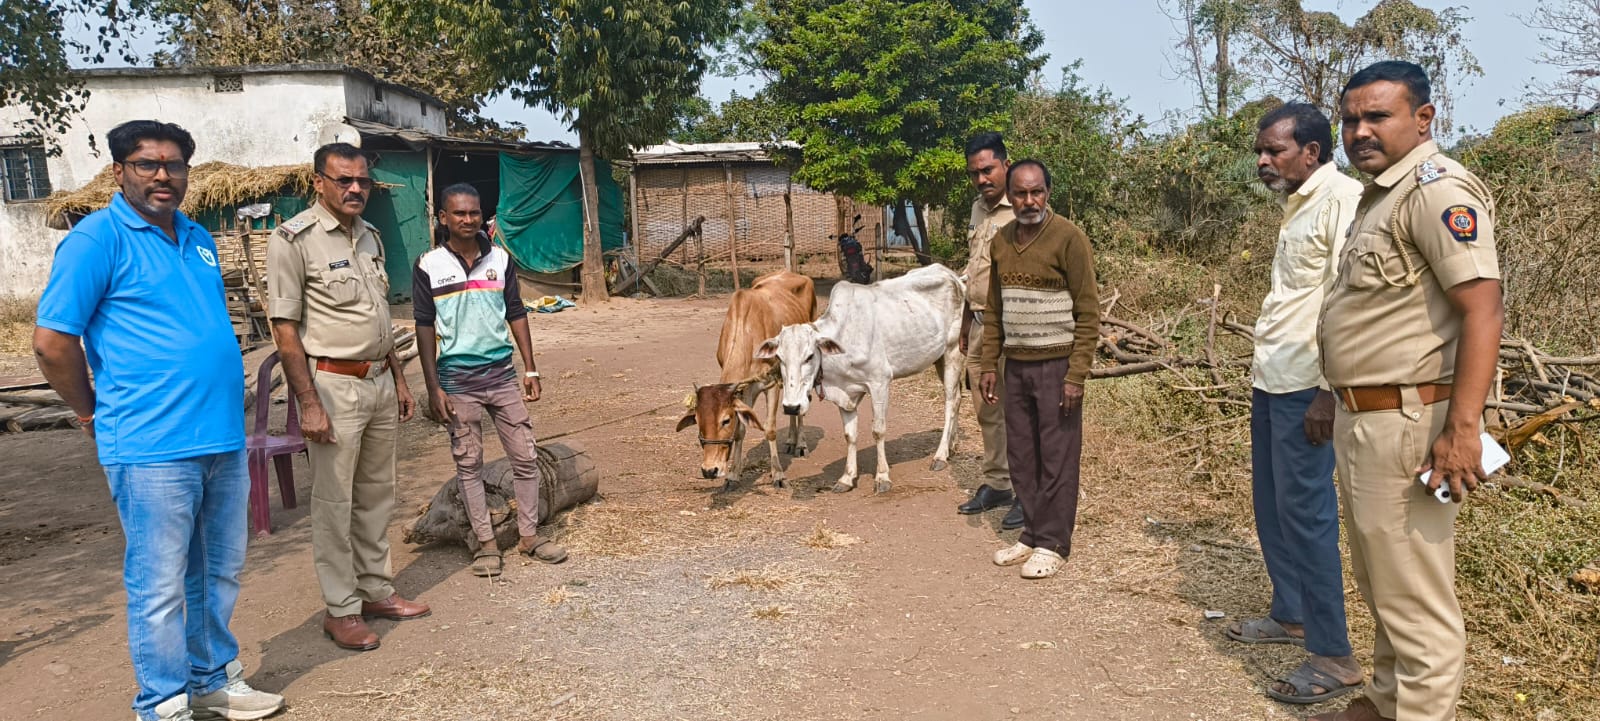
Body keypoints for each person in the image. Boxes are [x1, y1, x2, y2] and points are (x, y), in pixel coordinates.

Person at [33, 120, 284, 720]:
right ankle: (163, 702)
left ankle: (212, 680)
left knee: (218, 570)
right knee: (161, 585)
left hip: (221, 436)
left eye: (174, 165)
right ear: (119, 172)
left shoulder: (197, 237)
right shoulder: (97, 240)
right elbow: (51, 342)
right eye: (147, 164)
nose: (163, 175)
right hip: (150, 445)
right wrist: (89, 411)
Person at [1311, 61, 1504, 721]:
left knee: (1416, 600)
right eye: (1350, 119)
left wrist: (1463, 430)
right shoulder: (1380, 195)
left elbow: (1482, 308)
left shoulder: (1435, 190)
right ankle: (1388, 700)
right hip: (1363, 417)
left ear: (1423, 118)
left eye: (1377, 117)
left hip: (1408, 422)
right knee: (1383, 578)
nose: (1359, 131)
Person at [1224, 102, 1365, 705]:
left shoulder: (1344, 201)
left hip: (1311, 387)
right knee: (1273, 504)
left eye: (1273, 150)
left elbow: (1349, 302)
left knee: (1308, 518)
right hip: (1273, 377)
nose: (1262, 160)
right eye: (1260, 150)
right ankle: (1291, 614)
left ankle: (1334, 655)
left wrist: (1330, 392)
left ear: (1311, 150)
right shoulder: (1299, 201)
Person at [267, 142, 426, 652]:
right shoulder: (294, 240)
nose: (355, 189)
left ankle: (376, 589)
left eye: (362, 181)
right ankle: (342, 608)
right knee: (335, 501)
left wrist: (400, 378)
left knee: (378, 493)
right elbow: (284, 328)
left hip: (379, 379)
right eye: (343, 180)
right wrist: (307, 402)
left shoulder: (371, 236)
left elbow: (379, 318)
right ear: (318, 182)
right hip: (332, 386)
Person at [414, 183, 568, 576]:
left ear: (483, 215)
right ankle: (486, 545)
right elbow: (425, 326)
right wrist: (434, 388)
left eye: (474, 212)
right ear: (443, 218)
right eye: (459, 213)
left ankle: (530, 537)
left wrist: (530, 367)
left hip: (501, 376)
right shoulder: (429, 265)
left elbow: (516, 311)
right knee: (469, 465)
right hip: (457, 382)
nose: (468, 219)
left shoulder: (500, 258)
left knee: (526, 457)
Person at [978, 160, 1099, 580]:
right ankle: (1030, 533)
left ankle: (1053, 544)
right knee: (1022, 455)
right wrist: (989, 363)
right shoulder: (1002, 240)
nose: (1030, 201)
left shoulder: (1069, 238)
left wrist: (1076, 374)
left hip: (1057, 366)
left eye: (1037, 192)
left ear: (1048, 192)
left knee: (1058, 457)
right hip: (1016, 366)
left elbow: (1088, 312)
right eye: (1021, 194)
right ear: (1009, 196)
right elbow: (994, 309)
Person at [955, 132, 1022, 530]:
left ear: (1005, 165)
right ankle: (999, 484)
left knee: (1017, 411)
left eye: (987, 170)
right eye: (975, 174)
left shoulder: (1023, 209)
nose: (982, 179)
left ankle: (1028, 493)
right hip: (979, 323)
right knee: (987, 410)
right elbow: (974, 267)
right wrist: (966, 318)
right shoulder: (979, 209)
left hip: (1011, 328)